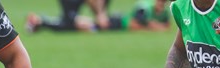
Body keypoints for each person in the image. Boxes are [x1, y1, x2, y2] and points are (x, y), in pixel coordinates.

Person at [26, 0, 170, 33]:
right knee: (69, 24)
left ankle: (39, 21)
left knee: (74, 25)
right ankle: (38, 20)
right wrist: (100, 15)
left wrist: (100, 15)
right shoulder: (145, 8)